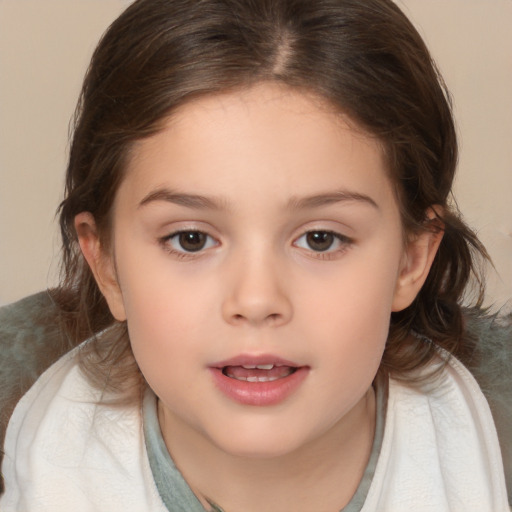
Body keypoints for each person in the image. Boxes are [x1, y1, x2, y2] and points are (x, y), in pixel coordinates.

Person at [0, 0, 509, 510]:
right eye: (191, 239)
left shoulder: (492, 441)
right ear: (106, 263)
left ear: (411, 258)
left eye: (320, 239)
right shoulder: (25, 434)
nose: (257, 299)